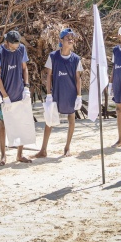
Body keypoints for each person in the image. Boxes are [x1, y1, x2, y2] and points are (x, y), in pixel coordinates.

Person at [37, 28, 83, 158]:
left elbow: (78, 78)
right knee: (49, 120)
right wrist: (49, 94)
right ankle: (43, 150)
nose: (70, 39)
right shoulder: (53, 56)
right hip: (56, 93)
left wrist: (79, 96)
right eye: (67, 37)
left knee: (71, 119)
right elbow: (49, 76)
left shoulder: (76, 59)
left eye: (72, 37)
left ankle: (67, 147)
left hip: (71, 93)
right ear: (61, 40)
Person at [0, 30, 32, 164]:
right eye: (13, 45)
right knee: (3, 124)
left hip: (19, 92)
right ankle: (3, 155)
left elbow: (24, 68)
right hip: (5, 94)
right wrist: (4, 96)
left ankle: (19, 154)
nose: (16, 48)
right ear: (6, 42)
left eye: (17, 45)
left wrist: (26, 87)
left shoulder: (21, 49)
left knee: (21, 122)